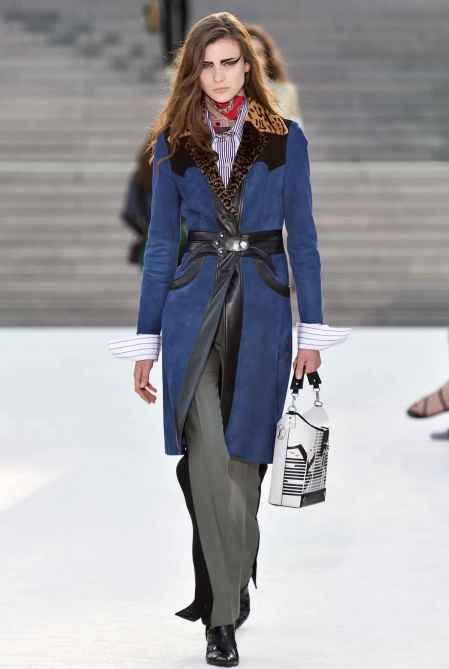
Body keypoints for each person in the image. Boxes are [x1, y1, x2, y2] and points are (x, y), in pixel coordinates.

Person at [108, 11, 350, 666]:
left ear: (248, 67)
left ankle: (234, 566)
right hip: (192, 309)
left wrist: (311, 329)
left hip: (264, 308)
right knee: (207, 457)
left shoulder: (284, 140)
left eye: (229, 63)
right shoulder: (174, 143)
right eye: (206, 65)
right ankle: (221, 617)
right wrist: (146, 339)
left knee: (243, 465)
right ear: (193, 71)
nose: (218, 76)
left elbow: (304, 239)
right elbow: (161, 244)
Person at [246, 23, 304, 127]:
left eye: (259, 53)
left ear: (267, 58)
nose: (255, 59)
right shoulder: (227, 95)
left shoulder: (286, 92)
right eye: (249, 53)